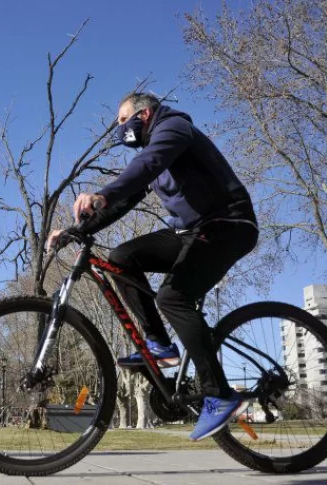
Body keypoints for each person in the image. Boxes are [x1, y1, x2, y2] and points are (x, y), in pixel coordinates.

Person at [46, 93, 259, 441]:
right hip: (193, 231)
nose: (119, 129)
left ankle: (219, 394)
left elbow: (149, 163)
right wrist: (77, 230)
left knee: (173, 298)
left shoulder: (174, 128)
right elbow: (126, 198)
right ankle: (160, 344)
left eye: (121, 121)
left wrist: (102, 192)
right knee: (121, 258)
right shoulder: (153, 154)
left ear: (143, 114)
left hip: (228, 225)